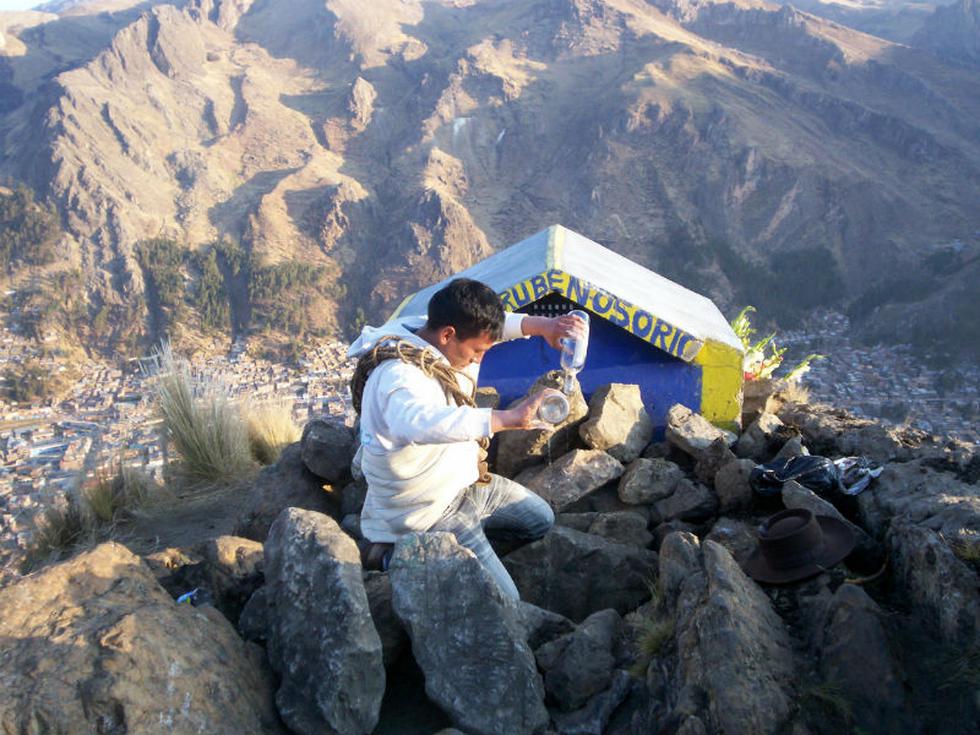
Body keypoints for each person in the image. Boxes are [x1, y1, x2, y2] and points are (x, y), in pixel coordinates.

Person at [348, 278, 585, 600]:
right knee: (506, 602)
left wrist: (545, 326)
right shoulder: (398, 376)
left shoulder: (427, 332)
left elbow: (492, 330)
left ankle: (463, 556)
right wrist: (507, 419)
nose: (478, 359)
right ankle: (398, 553)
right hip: (429, 509)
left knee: (539, 521)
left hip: (465, 484)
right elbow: (417, 423)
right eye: (477, 351)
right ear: (448, 334)